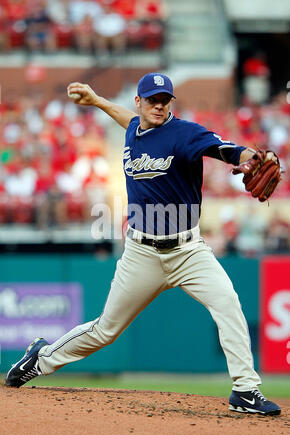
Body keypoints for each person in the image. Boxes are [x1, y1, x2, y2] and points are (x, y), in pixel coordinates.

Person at [5, 73, 281, 416]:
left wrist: (246, 156)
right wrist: (97, 100)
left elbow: (219, 147)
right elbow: (129, 121)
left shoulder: (185, 132)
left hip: (187, 251)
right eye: (153, 100)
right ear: (139, 102)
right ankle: (41, 359)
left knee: (227, 303)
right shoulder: (135, 129)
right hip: (141, 253)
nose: (160, 106)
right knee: (106, 330)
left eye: (165, 100)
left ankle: (245, 390)